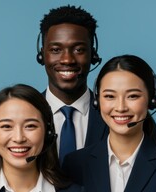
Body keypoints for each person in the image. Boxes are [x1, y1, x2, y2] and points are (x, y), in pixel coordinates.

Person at [62, 55, 156, 192]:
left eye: (133, 96)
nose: (120, 107)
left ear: (151, 99)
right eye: (109, 96)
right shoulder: (75, 165)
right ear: (97, 101)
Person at [37, 5, 107, 162]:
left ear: (93, 54)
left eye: (79, 50)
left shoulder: (118, 115)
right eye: (56, 50)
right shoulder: (23, 114)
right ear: (42, 54)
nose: (67, 60)